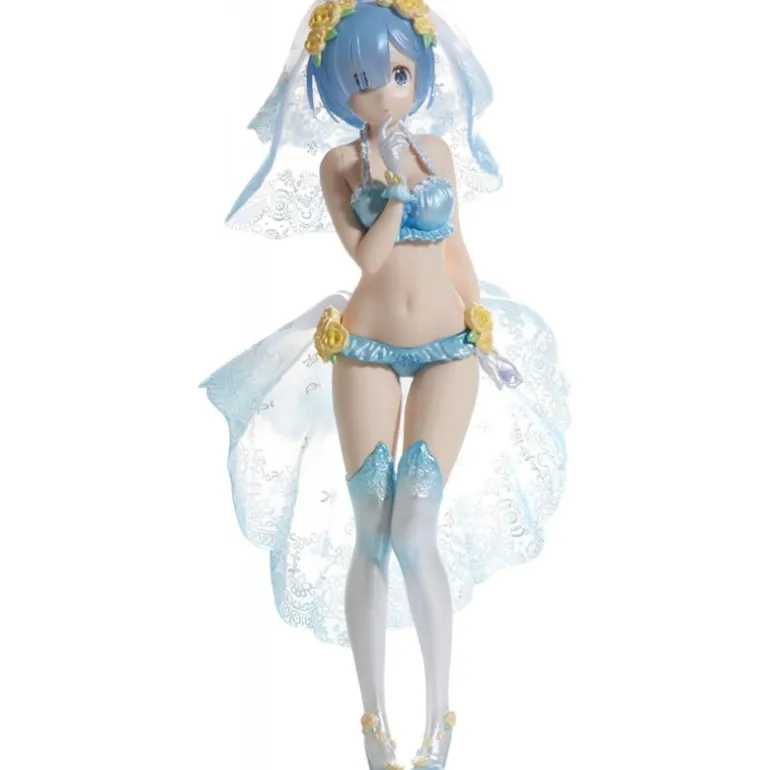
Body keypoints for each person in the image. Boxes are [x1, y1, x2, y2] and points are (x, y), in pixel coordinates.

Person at [200, 2, 570, 768]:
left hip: (447, 349)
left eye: (397, 74)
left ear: (420, 72)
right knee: (373, 528)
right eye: (361, 81)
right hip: (364, 346)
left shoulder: (437, 150)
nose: (382, 94)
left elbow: (457, 249)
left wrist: (480, 324)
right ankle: (374, 723)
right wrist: (394, 192)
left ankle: (440, 717)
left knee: (414, 524)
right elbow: (368, 259)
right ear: (337, 89)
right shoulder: (341, 165)